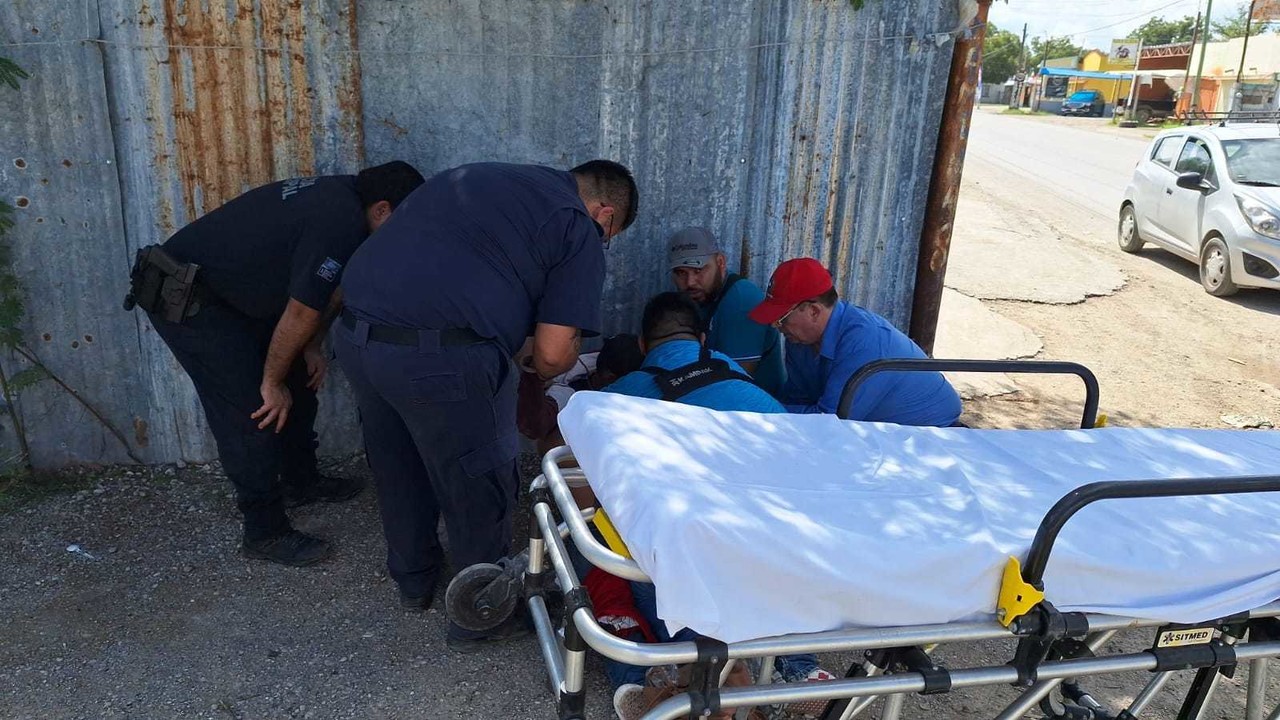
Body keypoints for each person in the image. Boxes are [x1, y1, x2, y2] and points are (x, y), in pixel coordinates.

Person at [331, 160, 638, 650]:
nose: (603, 242)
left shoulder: (485, 176)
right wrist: (554, 358)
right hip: (440, 359)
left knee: (398, 460)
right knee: (479, 476)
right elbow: (554, 355)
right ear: (604, 215)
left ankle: (414, 579)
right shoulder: (577, 226)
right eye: (610, 234)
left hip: (356, 336)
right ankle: (481, 614)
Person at [123, 161, 426, 567]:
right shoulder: (338, 219)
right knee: (253, 409)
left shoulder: (348, 200)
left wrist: (311, 347)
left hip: (237, 298)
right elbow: (301, 312)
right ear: (383, 209)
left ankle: (301, 480)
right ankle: (263, 529)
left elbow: (327, 293)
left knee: (299, 380)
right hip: (189, 299)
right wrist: (270, 381)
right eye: (402, 221)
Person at [598, 292, 833, 720]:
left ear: (642, 345)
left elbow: (583, 469)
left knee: (612, 545)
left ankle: (673, 668)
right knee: (759, 569)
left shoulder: (623, 396)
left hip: (703, 535)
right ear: (704, 337)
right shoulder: (733, 371)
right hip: (789, 527)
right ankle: (800, 670)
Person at [747, 258, 962, 425]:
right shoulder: (800, 338)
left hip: (932, 434)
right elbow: (798, 401)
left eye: (781, 319)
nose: (776, 326)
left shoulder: (864, 341)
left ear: (813, 311)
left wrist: (759, 410)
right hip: (881, 431)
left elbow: (830, 422)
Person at [667, 227, 784, 396]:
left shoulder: (741, 300)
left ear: (720, 262)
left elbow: (734, 382)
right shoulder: (699, 297)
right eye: (681, 273)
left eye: (698, 270)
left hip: (755, 410)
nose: (690, 282)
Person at [516, 333, 643, 455]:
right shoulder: (570, 389)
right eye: (632, 381)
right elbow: (535, 426)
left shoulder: (602, 359)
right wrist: (533, 375)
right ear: (609, 376)